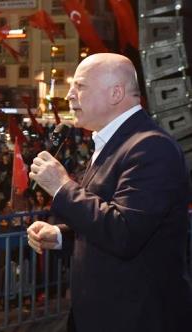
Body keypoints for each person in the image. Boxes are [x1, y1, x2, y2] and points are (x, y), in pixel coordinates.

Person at [26, 53, 192, 331]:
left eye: (80, 86)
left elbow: (124, 232)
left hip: (135, 319)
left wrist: (62, 187)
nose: (69, 96)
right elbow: (107, 217)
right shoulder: (113, 143)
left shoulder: (151, 148)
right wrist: (59, 236)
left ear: (116, 93)